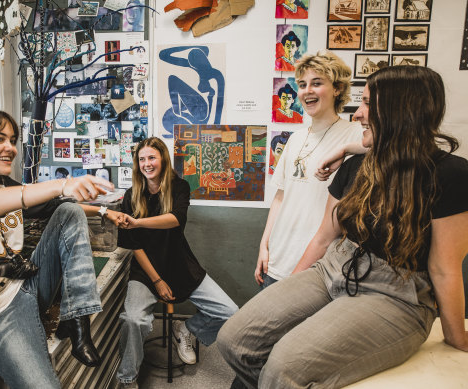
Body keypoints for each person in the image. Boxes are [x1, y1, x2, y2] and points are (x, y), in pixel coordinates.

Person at [218, 66, 468, 388]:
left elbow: (445, 268)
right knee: (232, 338)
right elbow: (324, 238)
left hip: (395, 295)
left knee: (283, 369)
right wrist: (286, 296)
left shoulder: (450, 174)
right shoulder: (357, 166)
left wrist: (456, 337)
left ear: (399, 112)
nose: (359, 113)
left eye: (367, 104)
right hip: (333, 267)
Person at [0, 108, 125, 389]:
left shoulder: (3, 184)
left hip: (27, 281)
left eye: (12, 139)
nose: (10, 147)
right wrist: (63, 184)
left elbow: (53, 205)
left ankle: (78, 320)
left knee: (69, 211)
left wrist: (104, 212)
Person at [116, 137, 238, 389]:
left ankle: (186, 329)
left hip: (180, 263)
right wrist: (157, 280)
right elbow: (134, 245)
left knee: (230, 313)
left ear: (162, 159)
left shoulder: (179, 186)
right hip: (146, 271)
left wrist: (138, 222)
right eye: (142, 159)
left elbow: (175, 219)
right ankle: (128, 379)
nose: (147, 164)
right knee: (134, 320)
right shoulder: (131, 196)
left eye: (152, 158)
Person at [255, 51, 362, 289]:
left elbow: (389, 143)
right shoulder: (294, 138)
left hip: (319, 264)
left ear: (337, 89)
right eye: (302, 85)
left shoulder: (354, 134)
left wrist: (344, 149)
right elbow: (280, 198)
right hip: (276, 259)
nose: (307, 91)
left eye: (317, 83)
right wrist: (264, 245)